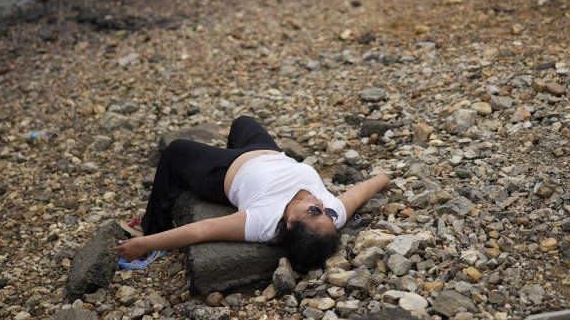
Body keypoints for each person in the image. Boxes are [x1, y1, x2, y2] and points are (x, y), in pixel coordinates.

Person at [114, 115, 391, 273]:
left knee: (175, 151)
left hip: (222, 173)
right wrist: (386, 176)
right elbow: (360, 192)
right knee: (243, 122)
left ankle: (152, 223)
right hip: (267, 151)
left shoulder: (263, 221)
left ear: (291, 223)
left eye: (315, 211)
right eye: (327, 213)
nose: (322, 205)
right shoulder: (331, 216)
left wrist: (147, 243)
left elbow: (202, 230)